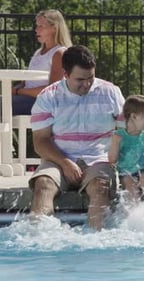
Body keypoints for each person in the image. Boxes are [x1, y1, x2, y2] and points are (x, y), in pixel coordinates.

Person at [29, 45, 125, 230]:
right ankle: (38, 239)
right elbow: (40, 142)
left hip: (99, 159)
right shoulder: (48, 97)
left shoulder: (111, 93)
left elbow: (125, 133)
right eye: (80, 79)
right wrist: (65, 163)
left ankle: (95, 242)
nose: (87, 84)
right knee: (43, 184)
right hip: (57, 159)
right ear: (65, 74)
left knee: (100, 186)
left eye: (90, 78)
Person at [11, 9, 72, 115]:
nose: (36, 30)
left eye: (41, 26)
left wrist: (18, 91)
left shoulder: (59, 53)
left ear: (54, 28)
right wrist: (13, 90)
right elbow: (26, 83)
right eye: (37, 26)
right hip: (26, 98)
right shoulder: (38, 53)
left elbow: (52, 90)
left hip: (42, 103)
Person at [108, 95, 144, 202]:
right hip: (125, 173)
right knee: (132, 190)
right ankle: (134, 215)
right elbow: (112, 160)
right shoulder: (119, 136)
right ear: (133, 116)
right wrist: (116, 144)